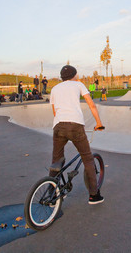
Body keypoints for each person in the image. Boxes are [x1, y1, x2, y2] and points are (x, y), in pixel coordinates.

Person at [49, 65, 105, 204]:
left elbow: (55, 111)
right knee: (87, 159)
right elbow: (91, 105)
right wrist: (98, 123)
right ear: (74, 75)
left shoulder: (55, 88)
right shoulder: (78, 84)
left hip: (58, 125)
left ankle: (51, 195)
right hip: (75, 125)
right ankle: (94, 195)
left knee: (56, 160)